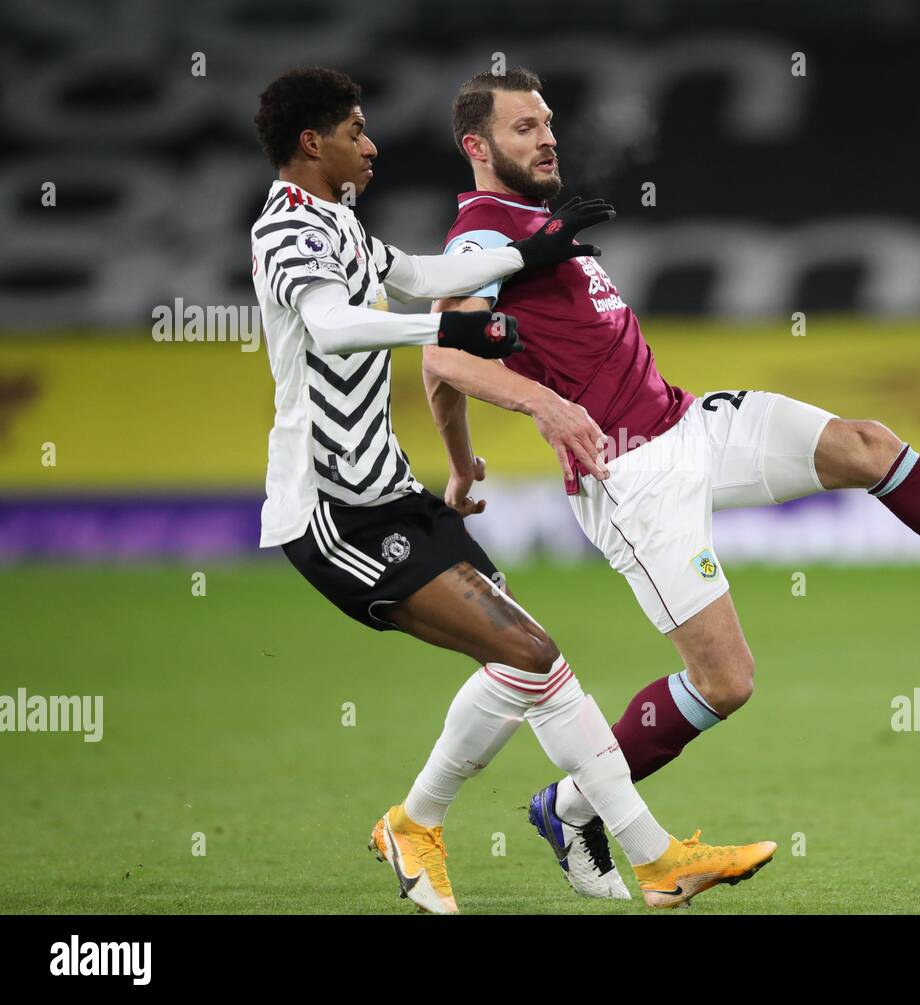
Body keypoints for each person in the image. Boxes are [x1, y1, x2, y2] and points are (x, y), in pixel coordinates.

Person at [427, 66, 920, 899]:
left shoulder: (532, 225)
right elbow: (442, 355)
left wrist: (457, 463)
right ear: (477, 147)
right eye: (524, 128)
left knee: (866, 447)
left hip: (688, 421)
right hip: (625, 476)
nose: (548, 136)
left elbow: (449, 375)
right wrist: (545, 408)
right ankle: (574, 804)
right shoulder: (480, 238)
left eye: (548, 121)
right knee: (726, 681)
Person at [250, 66, 775, 912]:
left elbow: (418, 271)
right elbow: (333, 326)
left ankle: (415, 823)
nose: (371, 143)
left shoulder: (341, 225)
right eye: (355, 129)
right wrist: (452, 327)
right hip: (332, 509)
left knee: (515, 661)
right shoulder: (285, 233)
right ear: (314, 144)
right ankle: (656, 857)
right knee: (535, 658)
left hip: (391, 491)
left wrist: (535, 248)